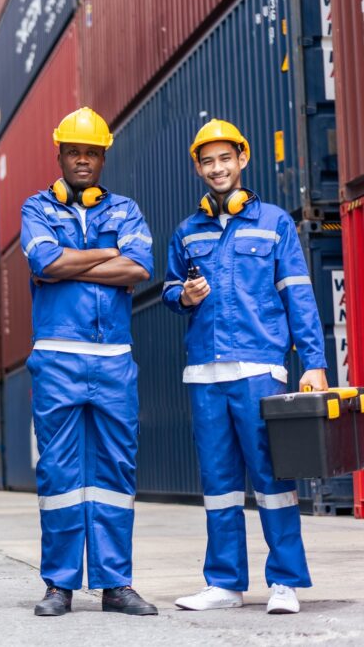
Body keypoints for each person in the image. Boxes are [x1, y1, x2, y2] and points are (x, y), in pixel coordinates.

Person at [163, 120, 326, 615]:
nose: (217, 169)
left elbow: (298, 296)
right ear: (198, 168)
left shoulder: (274, 222)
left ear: (242, 158)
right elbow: (170, 290)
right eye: (207, 161)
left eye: (224, 159)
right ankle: (225, 584)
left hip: (259, 369)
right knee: (219, 485)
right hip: (205, 376)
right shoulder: (186, 232)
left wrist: (314, 364)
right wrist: (182, 295)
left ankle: (285, 582)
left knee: (274, 482)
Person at [19, 107, 157, 617]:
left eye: (91, 153)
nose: (82, 160)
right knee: (58, 473)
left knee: (116, 469)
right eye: (74, 151)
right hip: (57, 359)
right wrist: (106, 257)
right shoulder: (36, 208)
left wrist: (69, 265)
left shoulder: (126, 209)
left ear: (103, 158)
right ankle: (59, 585)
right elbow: (43, 261)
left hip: (114, 359)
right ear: (59, 155)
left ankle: (115, 584)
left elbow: (140, 266)